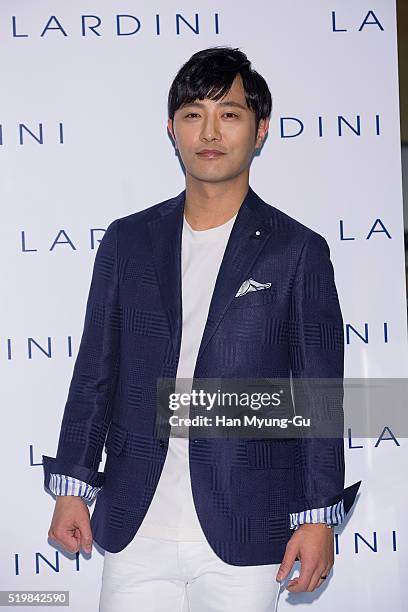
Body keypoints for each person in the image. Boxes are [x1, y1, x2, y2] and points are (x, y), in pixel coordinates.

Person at [42, 46, 361, 611]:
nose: (210, 131)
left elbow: (320, 398)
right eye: (193, 114)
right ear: (172, 128)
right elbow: (95, 371)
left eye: (230, 114)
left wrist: (318, 520)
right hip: (135, 525)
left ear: (259, 129)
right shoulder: (127, 241)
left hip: (249, 529)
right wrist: (73, 485)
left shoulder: (298, 252)